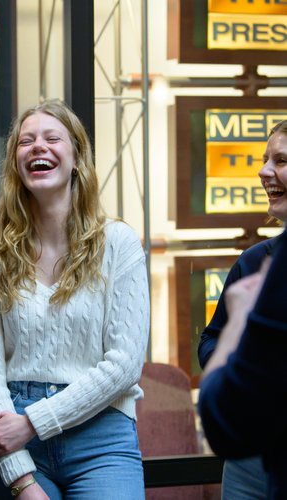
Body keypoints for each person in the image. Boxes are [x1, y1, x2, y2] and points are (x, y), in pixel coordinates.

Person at [0, 100, 150, 499]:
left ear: (77, 157)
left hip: (101, 435)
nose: (38, 147)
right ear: (16, 164)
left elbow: (125, 366)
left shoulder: (119, 245)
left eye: (52, 138)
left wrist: (33, 422)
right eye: (26, 141)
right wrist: (21, 479)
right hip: (12, 437)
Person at [198, 119, 287, 498]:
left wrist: (241, 330)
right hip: (250, 465)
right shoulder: (254, 261)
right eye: (265, 159)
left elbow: (223, 422)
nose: (264, 172)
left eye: (280, 160)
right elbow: (209, 340)